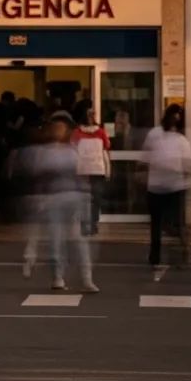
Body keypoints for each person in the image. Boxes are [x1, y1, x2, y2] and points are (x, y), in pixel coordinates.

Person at [35, 118, 98, 293]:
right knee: (56, 239)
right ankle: (58, 276)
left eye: (62, 128)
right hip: (55, 199)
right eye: (56, 128)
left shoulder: (72, 151)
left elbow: (81, 176)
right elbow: (42, 177)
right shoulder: (47, 152)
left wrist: (85, 197)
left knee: (79, 239)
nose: (59, 131)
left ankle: (87, 278)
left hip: (73, 198)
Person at [142, 106, 191, 279]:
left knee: (170, 223)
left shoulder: (179, 139)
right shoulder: (161, 135)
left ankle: (174, 254)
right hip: (162, 187)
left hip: (170, 186)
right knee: (163, 224)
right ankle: (161, 256)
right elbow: (146, 157)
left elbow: (187, 165)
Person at [71, 105, 111, 236]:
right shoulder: (77, 132)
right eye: (88, 114)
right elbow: (73, 151)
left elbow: (105, 150)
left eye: (92, 114)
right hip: (82, 170)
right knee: (84, 199)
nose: (91, 116)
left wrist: (107, 169)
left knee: (96, 198)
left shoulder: (100, 131)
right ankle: (84, 224)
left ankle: (93, 223)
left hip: (97, 169)